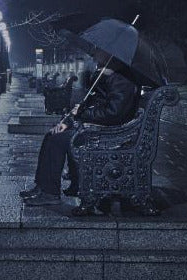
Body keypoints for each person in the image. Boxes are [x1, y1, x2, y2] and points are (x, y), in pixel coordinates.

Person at [19, 50, 139, 206]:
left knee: (58, 140)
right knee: (52, 134)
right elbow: (93, 104)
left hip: (106, 133)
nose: (95, 54)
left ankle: (50, 193)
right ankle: (43, 186)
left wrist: (83, 112)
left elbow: (113, 113)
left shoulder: (121, 80)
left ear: (110, 54)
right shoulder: (110, 76)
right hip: (97, 127)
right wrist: (67, 122)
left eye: (99, 51)